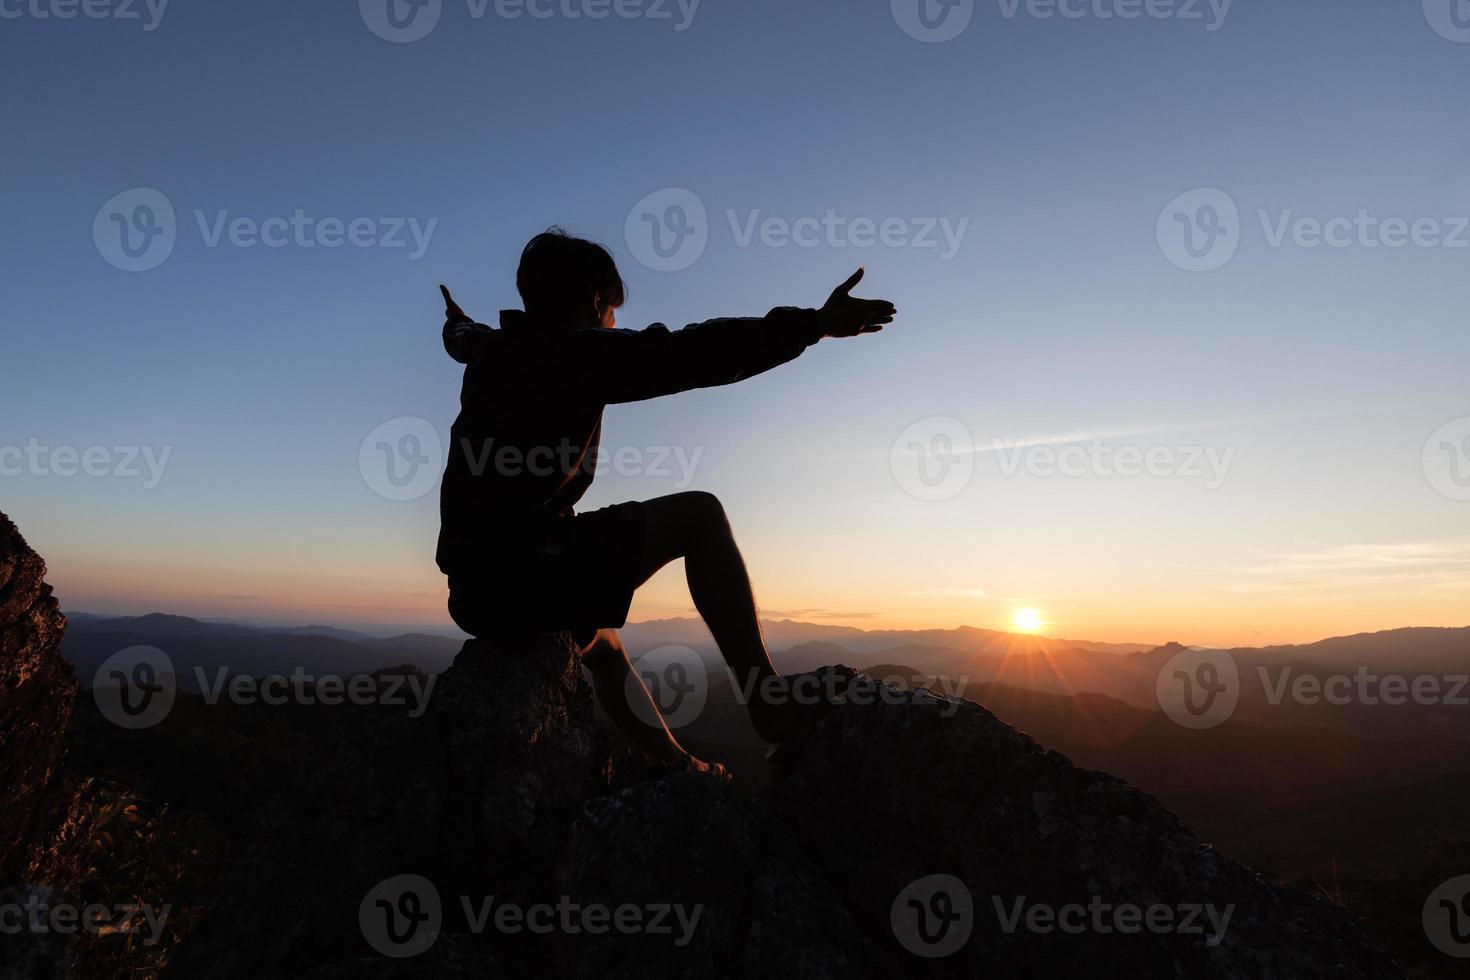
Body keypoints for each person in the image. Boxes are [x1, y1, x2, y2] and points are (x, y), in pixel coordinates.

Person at [437, 228, 896, 775]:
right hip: (526, 565)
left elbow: (462, 337)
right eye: (611, 312)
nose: (614, 326)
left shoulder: (492, 348)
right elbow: (689, 353)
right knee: (699, 516)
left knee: (606, 648)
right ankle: (768, 700)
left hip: (474, 588)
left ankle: (678, 765)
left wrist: (455, 321)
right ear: (594, 300)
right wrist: (814, 325)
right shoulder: (574, 353)